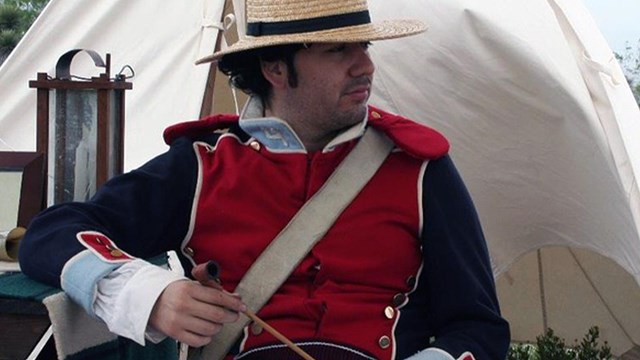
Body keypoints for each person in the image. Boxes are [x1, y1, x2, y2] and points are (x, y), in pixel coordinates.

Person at [19, 0, 510, 359]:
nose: (366, 65)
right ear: (276, 66)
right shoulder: (202, 165)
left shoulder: (421, 169)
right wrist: (148, 295)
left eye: (363, 45)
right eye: (339, 51)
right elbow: (49, 235)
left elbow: (478, 329)